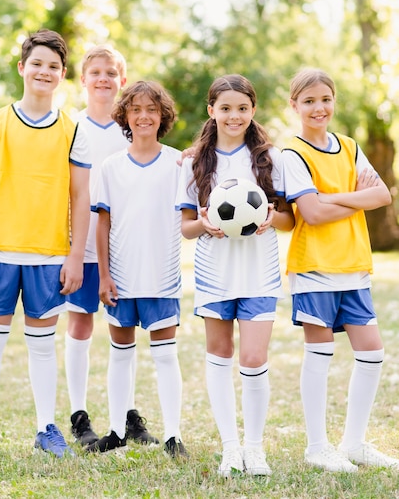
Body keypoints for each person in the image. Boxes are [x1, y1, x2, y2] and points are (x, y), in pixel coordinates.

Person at [0, 28, 91, 460]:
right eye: (36, 63)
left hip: (49, 255)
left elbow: (80, 197)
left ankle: (45, 428)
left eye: (53, 66)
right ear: (22, 68)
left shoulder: (72, 131)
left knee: (42, 346)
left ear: (62, 75)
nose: (44, 71)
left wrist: (75, 256)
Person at [175, 74, 294, 477]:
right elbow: (186, 226)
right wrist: (206, 225)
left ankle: (255, 448)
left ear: (253, 110)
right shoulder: (194, 162)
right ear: (211, 111)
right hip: (215, 272)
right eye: (225, 108)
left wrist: (269, 218)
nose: (234, 116)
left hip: (259, 268)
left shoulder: (271, 158)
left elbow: (289, 219)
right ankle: (230, 448)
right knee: (220, 355)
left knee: (254, 357)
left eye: (242, 108)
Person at [282, 67, 397, 472]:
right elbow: (310, 213)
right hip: (314, 267)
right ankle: (317, 446)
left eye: (325, 99)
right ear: (294, 105)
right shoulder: (292, 154)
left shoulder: (348, 146)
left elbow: (382, 194)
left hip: (354, 266)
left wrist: (337, 197)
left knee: (372, 354)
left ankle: (354, 443)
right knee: (321, 353)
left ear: (334, 102)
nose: (318, 107)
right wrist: (356, 197)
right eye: (309, 100)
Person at [65, 45, 158, 447]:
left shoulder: (132, 130)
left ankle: (126, 414)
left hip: (124, 248)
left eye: (111, 73)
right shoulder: (70, 128)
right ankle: (78, 414)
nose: (103, 79)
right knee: (81, 324)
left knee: (124, 330)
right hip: (79, 247)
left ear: (122, 80)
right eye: (95, 72)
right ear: (83, 80)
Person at [89, 80, 187, 458]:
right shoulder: (112, 167)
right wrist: (104, 274)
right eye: (136, 110)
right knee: (120, 354)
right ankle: (115, 431)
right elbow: (104, 223)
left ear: (162, 116)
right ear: (125, 116)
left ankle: (174, 435)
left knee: (165, 356)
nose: (144, 116)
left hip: (162, 276)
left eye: (152, 110)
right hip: (122, 277)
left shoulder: (178, 163)